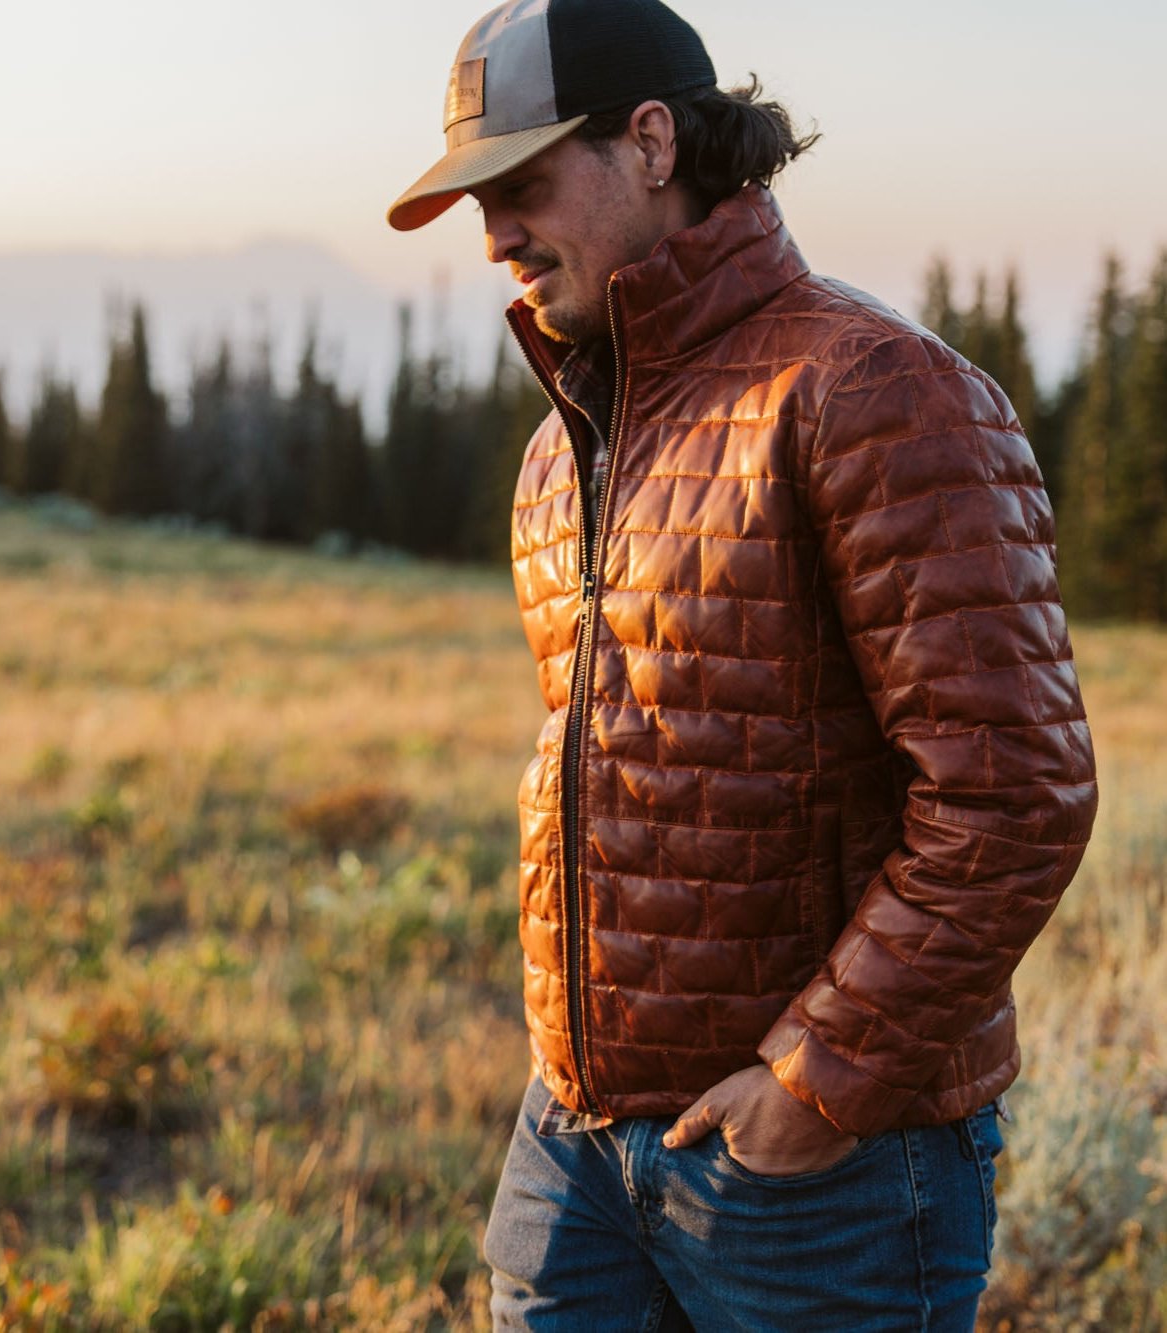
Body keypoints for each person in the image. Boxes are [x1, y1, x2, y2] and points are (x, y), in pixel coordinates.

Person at [387, 1, 1098, 1328]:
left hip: (817, 1177)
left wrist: (817, 1079)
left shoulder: (876, 390)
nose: (493, 237)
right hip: (576, 1149)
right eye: (476, 202)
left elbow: (1014, 795)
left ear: (651, 142)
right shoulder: (564, 448)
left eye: (520, 184)